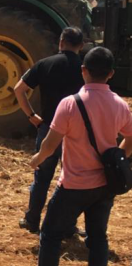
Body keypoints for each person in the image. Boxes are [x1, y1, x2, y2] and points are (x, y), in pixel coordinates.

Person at [9, 47, 132, 266]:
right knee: (98, 239)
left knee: (50, 234)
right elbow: (131, 136)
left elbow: (50, 144)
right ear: (111, 74)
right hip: (105, 186)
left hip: (74, 184)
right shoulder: (120, 105)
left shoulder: (70, 104)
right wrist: (118, 157)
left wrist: (37, 159)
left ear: (83, 71)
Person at [15, 27, 85, 234]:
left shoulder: (45, 64)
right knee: (71, 180)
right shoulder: (85, 70)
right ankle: (67, 224)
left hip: (48, 129)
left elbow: (19, 89)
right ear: (81, 46)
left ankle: (32, 220)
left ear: (61, 42)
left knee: (42, 178)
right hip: (74, 133)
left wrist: (31, 116)